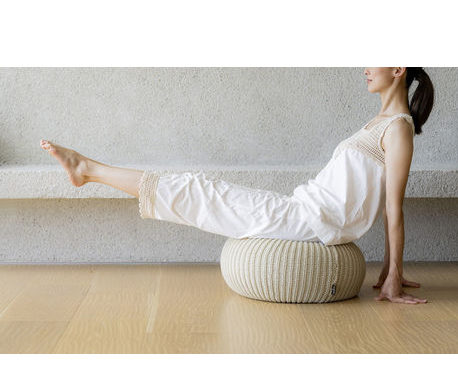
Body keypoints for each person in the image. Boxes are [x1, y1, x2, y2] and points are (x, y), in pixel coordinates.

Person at [40, 67, 434, 304]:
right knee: (201, 189)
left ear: (398, 68)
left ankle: (88, 169)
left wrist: (394, 275)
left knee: (197, 191)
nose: (364, 68)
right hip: (300, 210)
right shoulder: (378, 124)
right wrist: (388, 270)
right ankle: (89, 170)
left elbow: (393, 208)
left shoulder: (398, 129)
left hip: (309, 221)